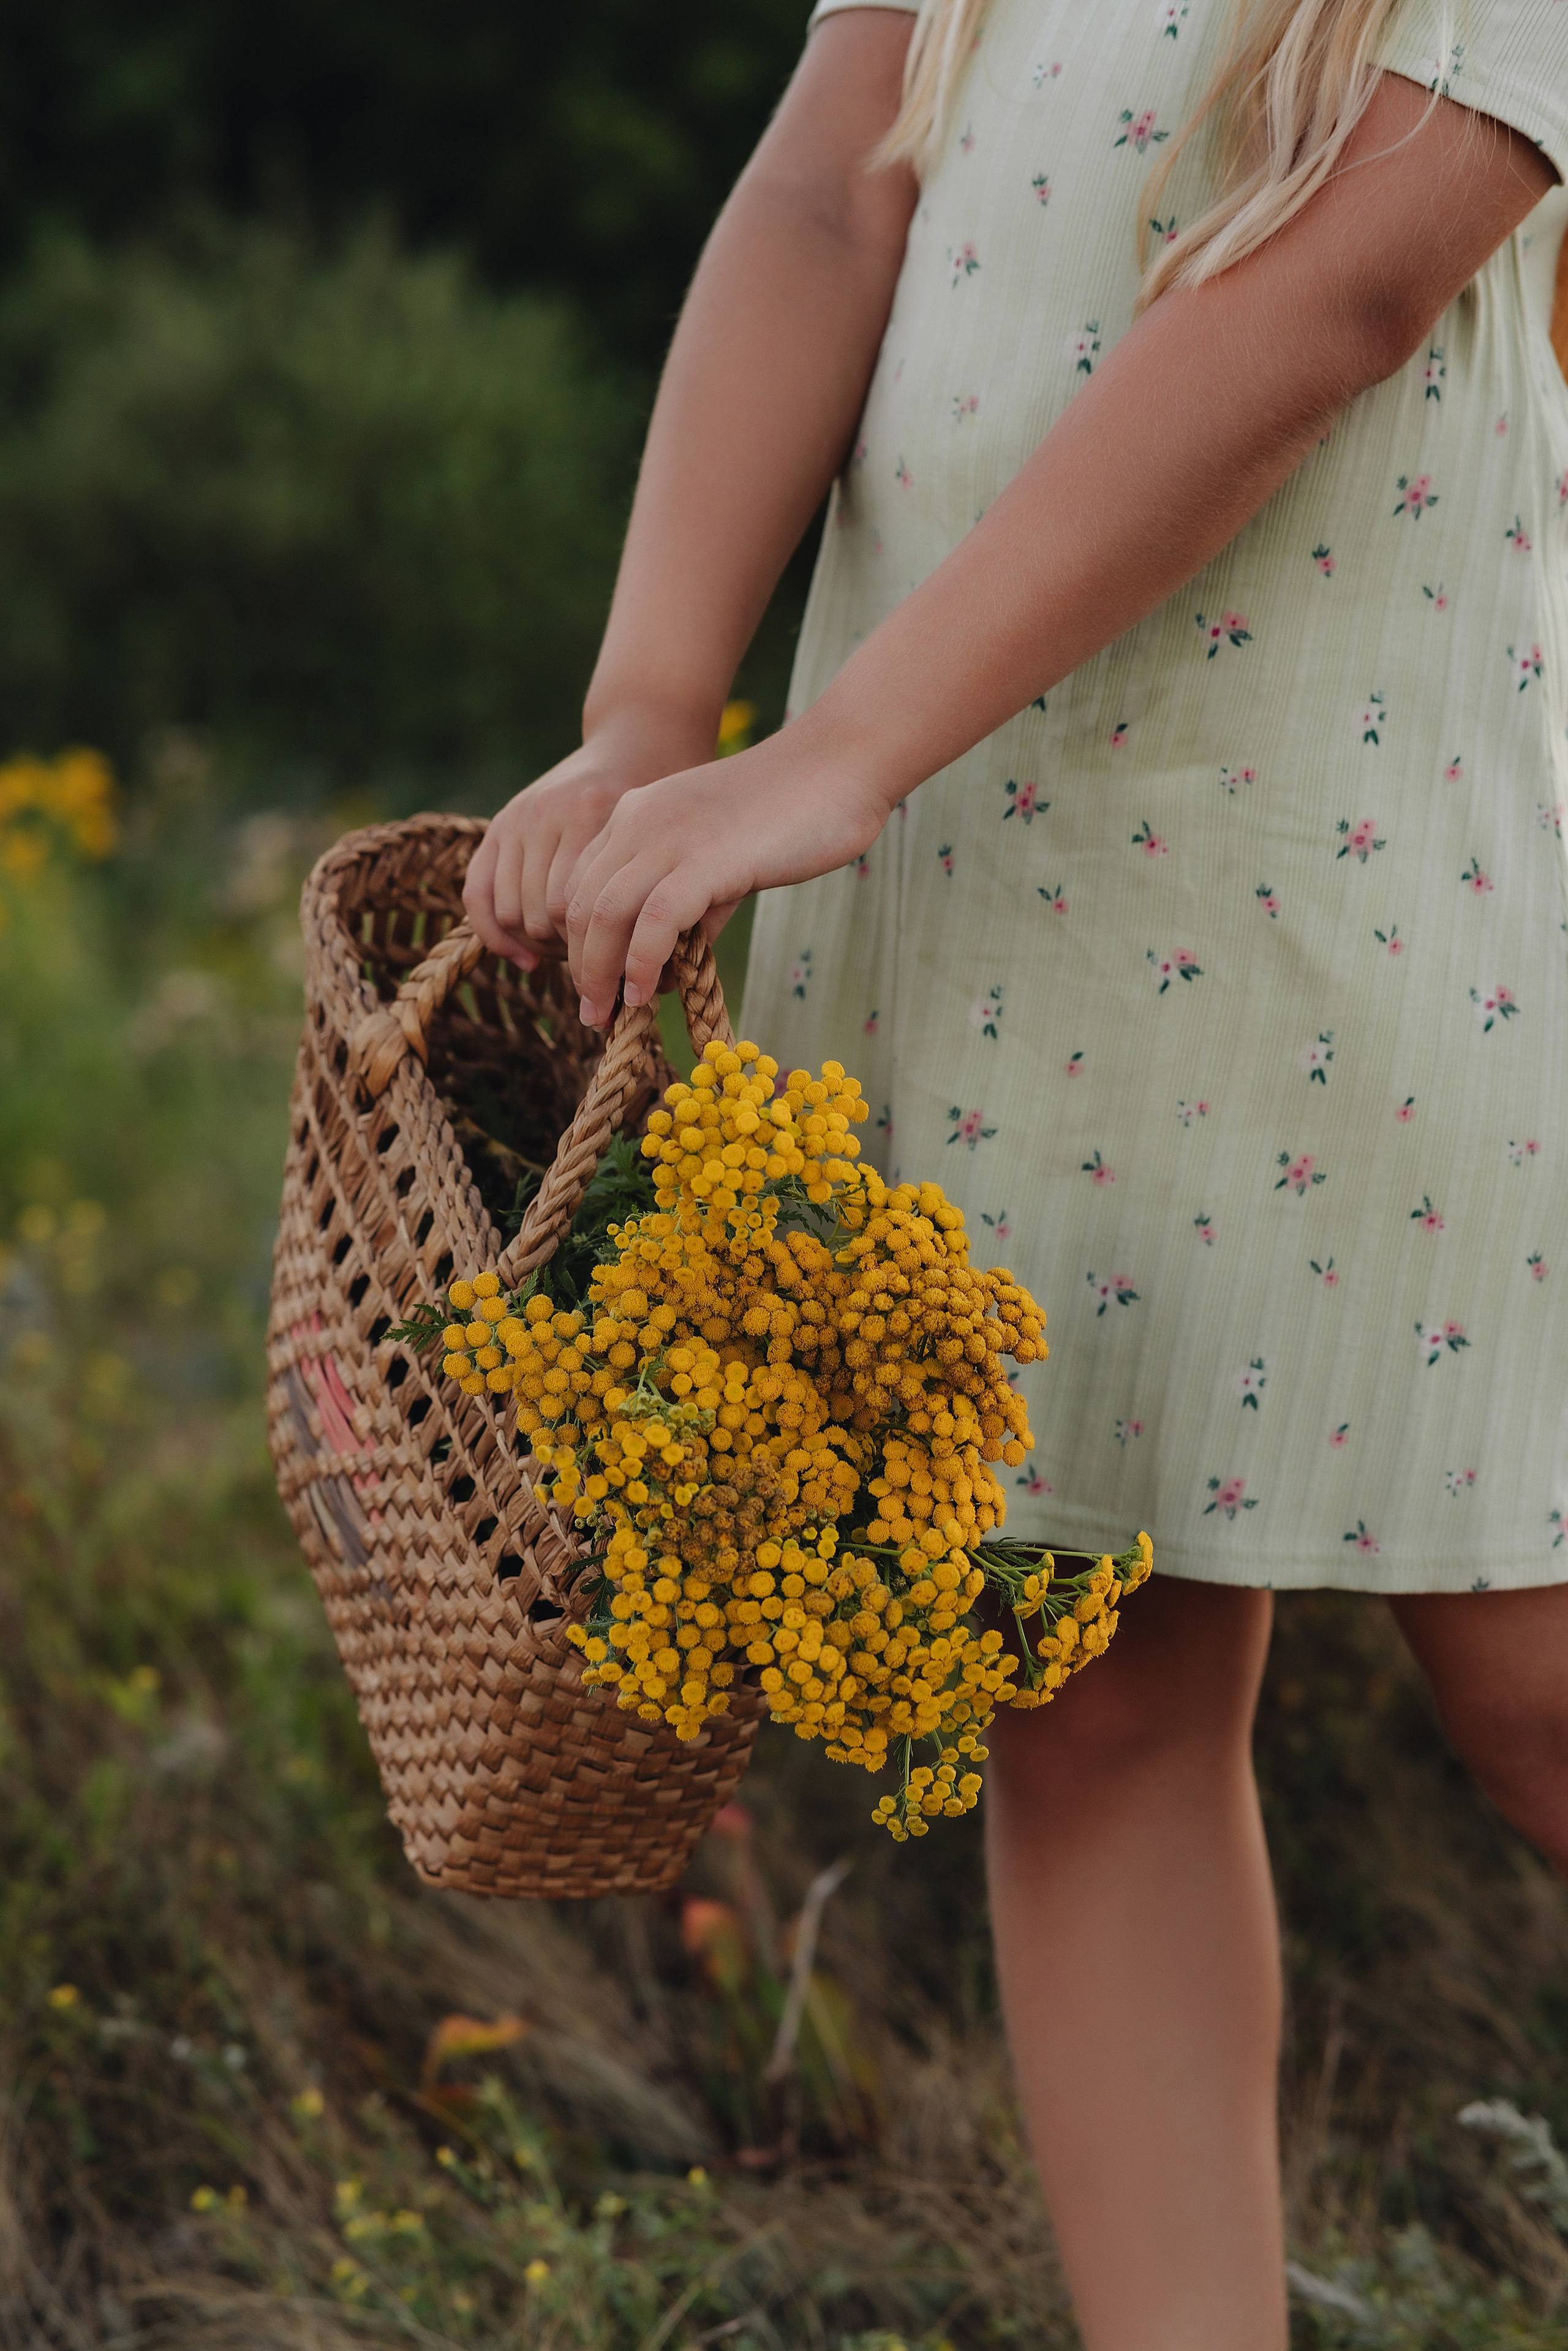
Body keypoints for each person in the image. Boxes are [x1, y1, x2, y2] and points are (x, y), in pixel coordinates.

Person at [464, 0, 1568, 2338]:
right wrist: (658, 701)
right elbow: (826, 181)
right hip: (984, 851)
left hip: (1351, 870)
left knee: (1536, 1669)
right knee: (1093, 1683)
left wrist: (833, 746)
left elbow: (1343, 287)